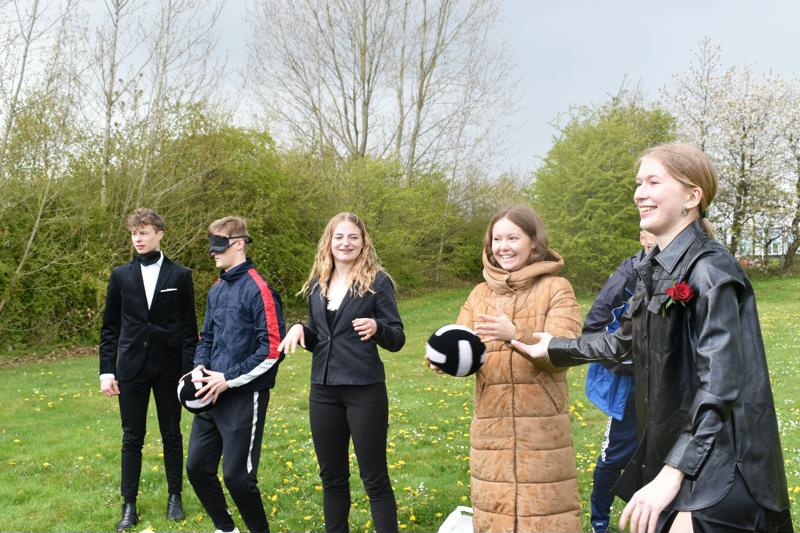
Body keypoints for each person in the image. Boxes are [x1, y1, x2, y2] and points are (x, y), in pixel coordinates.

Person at [511, 143, 793, 533]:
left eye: (653, 182)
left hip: (726, 463)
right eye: (638, 182)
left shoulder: (711, 270)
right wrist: (554, 347)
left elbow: (721, 385)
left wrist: (673, 473)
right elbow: (623, 340)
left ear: (692, 197)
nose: (638, 193)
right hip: (678, 448)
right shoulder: (652, 267)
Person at [427, 205, 583, 532]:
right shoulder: (480, 294)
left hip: (542, 430)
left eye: (513, 238)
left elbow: (566, 349)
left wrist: (515, 336)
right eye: (497, 239)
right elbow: (461, 342)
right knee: (494, 517)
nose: (504, 246)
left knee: (545, 518)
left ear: (534, 243)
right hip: (491, 430)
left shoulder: (556, 288)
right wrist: (442, 360)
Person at [278, 212, 405, 533]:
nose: (345, 243)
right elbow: (321, 339)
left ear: (363, 242)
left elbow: (397, 338)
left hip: (364, 390)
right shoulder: (317, 283)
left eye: (353, 237)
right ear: (329, 242)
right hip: (323, 391)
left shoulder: (378, 281)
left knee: (374, 478)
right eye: (339, 237)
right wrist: (299, 330)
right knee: (332, 478)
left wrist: (377, 327)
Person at [99, 208, 198, 531]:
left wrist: (188, 372)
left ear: (159, 234)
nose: (137, 239)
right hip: (131, 368)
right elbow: (110, 328)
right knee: (132, 437)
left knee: (172, 434)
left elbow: (188, 330)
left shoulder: (181, 276)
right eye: (133, 233)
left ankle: (175, 497)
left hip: (170, 369)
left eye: (143, 232)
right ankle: (129, 506)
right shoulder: (120, 275)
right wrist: (106, 371)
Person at [185, 216, 285, 533]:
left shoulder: (261, 290)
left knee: (237, 477)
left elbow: (271, 349)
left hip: (244, 396)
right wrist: (200, 366)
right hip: (210, 395)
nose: (212, 253)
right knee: (197, 467)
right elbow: (207, 338)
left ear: (238, 243)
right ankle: (226, 529)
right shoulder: (216, 290)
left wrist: (227, 379)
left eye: (218, 244)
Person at [584, 230, 655, 533]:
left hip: (669, 385)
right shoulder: (627, 275)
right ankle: (599, 521)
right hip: (631, 386)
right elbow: (593, 329)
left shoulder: (687, 269)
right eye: (652, 237)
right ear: (642, 238)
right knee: (615, 455)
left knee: (664, 455)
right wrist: (627, 364)